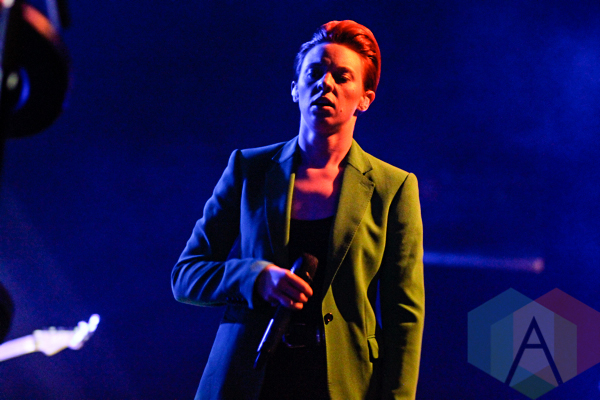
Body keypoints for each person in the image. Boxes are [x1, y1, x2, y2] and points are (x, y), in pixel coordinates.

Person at [172, 20, 424, 400]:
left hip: (342, 386)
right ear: (295, 89)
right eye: (315, 72)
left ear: (365, 98)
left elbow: (404, 315)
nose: (326, 84)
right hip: (246, 381)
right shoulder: (249, 169)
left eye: (343, 76)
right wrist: (255, 277)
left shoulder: (393, 188)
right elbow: (186, 275)